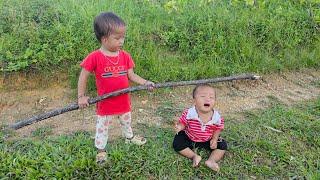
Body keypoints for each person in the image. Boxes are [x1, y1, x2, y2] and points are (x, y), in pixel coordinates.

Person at [77, 12, 154, 163]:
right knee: (102, 128)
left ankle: (129, 137)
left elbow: (131, 75)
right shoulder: (95, 57)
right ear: (104, 39)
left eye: (123, 37)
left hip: (123, 101)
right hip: (106, 104)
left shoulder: (125, 56)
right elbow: (83, 76)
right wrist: (81, 96)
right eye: (117, 38)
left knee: (126, 121)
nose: (122, 41)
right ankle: (101, 150)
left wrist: (145, 82)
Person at [172, 84, 227, 172]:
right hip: (189, 137)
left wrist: (214, 138)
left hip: (207, 139)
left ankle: (211, 161)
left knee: (222, 145)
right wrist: (179, 127)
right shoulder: (189, 113)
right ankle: (194, 156)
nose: (207, 99)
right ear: (194, 101)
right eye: (203, 96)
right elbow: (183, 123)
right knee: (177, 142)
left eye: (211, 97)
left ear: (215, 101)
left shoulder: (216, 117)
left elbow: (218, 128)